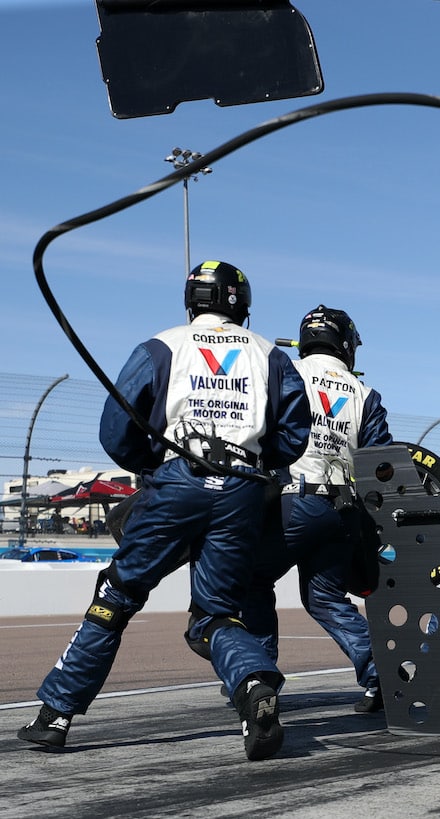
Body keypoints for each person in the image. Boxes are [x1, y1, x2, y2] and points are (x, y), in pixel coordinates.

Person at [16, 260, 312, 760]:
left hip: (179, 479)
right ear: (241, 302)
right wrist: (254, 464)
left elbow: (116, 429)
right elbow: (293, 436)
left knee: (118, 594)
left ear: (191, 299)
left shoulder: (161, 345)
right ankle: (255, 684)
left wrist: (154, 467)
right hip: (241, 487)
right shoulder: (270, 354)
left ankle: (55, 716)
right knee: (216, 614)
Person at [239, 305, 393, 714]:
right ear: (346, 344)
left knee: (253, 580)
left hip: (292, 501)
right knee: (325, 598)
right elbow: (382, 463)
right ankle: (383, 674)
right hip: (342, 512)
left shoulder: (283, 370)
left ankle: (258, 678)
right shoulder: (364, 393)